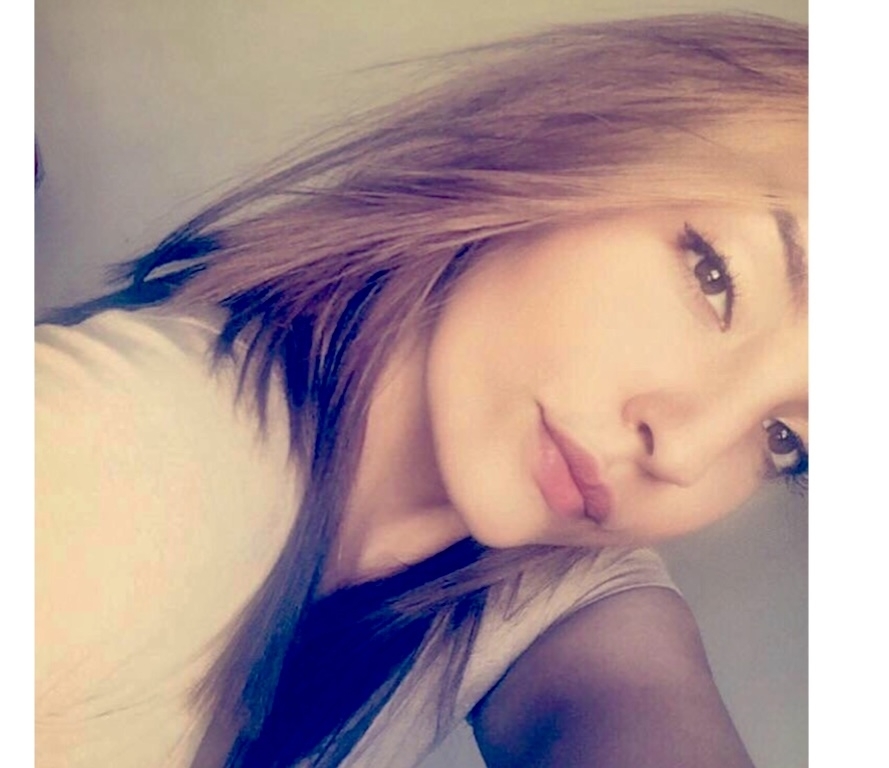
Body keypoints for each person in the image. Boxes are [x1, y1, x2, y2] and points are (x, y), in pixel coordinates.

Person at [35, 12, 807, 768]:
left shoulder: (548, 566)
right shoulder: (110, 455)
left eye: (786, 442)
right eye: (716, 277)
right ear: (568, 144)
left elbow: (635, 699)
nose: (684, 452)